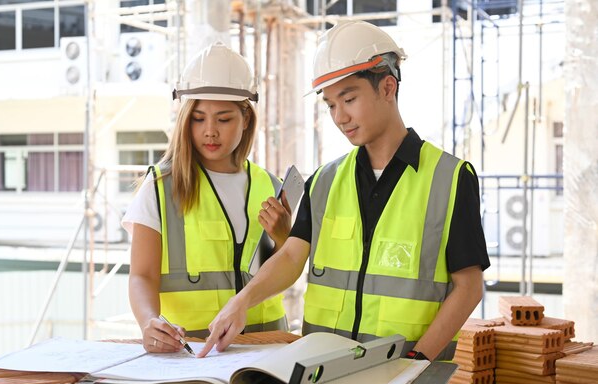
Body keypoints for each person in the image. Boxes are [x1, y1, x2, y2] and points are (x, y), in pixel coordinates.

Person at [198, 21, 490, 361]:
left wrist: (418, 360)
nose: (340, 116)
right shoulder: (324, 180)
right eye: (331, 105)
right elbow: (292, 256)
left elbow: (468, 287)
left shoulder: (450, 178)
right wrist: (241, 301)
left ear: (387, 88)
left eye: (349, 99)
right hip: (321, 371)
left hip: (406, 376)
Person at [122, 42, 292, 353]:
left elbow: (284, 268)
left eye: (223, 119)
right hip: (193, 356)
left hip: (269, 352)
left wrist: (284, 238)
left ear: (246, 120)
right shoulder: (161, 186)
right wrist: (148, 322)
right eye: (199, 118)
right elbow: (141, 276)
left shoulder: (270, 184)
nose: (210, 131)